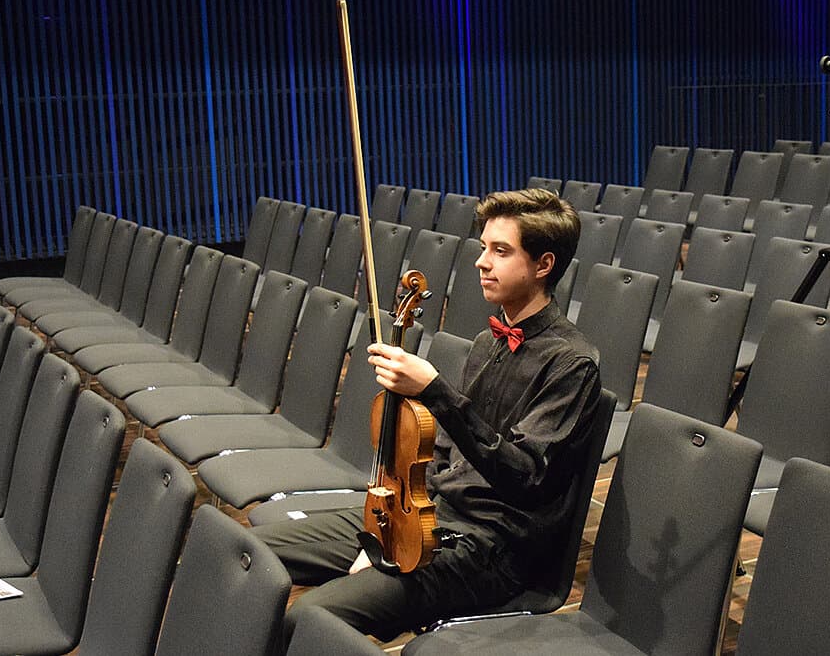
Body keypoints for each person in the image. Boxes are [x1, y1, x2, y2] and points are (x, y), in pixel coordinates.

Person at [253, 188, 602, 642]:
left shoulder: (572, 363)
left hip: (492, 548)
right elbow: (444, 449)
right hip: (424, 515)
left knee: (311, 615)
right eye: (483, 248)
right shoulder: (487, 342)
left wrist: (435, 390)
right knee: (250, 553)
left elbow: (526, 478)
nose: (481, 262)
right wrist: (393, 532)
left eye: (500, 251)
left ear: (543, 265)